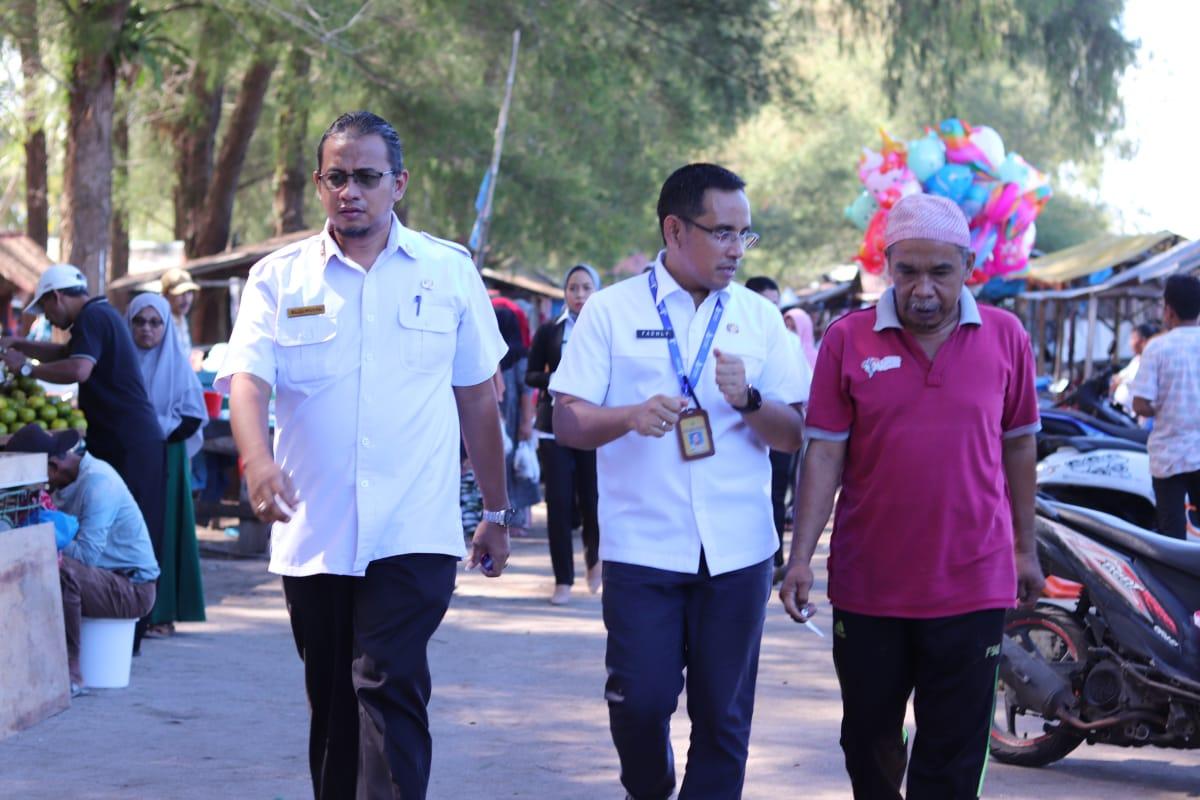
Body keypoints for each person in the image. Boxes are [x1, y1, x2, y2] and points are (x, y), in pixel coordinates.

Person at [216, 110, 512, 800]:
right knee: (334, 702)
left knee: (388, 682)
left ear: (398, 184)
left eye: (367, 177)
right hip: (314, 530)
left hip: (414, 530)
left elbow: (477, 400)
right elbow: (248, 383)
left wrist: (495, 510)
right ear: (320, 186)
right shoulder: (278, 279)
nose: (352, 191)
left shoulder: (448, 271)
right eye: (337, 177)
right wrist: (256, 462)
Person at [551, 163, 808, 799]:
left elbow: (795, 432)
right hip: (644, 546)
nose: (735, 251)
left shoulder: (758, 317)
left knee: (723, 718)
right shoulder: (610, 312)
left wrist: (748, 399)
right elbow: (569, 419)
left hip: (738, 550)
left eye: (745, 236)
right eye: (722, 233)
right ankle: (652, 784)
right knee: (639, 703)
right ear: (674, 229)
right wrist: (629, 416)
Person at [779, 193, 1044, 800]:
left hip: (972, 580)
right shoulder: (847, 341)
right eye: (907, 271)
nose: (923, 289)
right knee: (868, 742)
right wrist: (800, 558)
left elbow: (1021, 447)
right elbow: (824, 454)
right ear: (887, 268)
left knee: (952, 751)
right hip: (870, 584)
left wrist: (1024, 549)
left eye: (940, 272)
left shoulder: (1006, 338)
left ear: (969, 267)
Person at [1, 264, 167, 570]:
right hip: (127, 438)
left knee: (132, 531)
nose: (48, 318)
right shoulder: (98, 314)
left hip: (130, 440)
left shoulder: (93, 317)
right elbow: (65, 353)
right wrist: (19, 345)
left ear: (57, 297)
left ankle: (140, 613)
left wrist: (26, 368)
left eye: (46, 309)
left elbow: (78, 368)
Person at [5, 424, 159, 696]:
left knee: (61, 569)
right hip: (104, 579)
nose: (41, 488)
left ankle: (71, 672)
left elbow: (87, 555)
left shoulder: (99, 484)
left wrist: (44, 534)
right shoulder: (67, 479)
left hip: (132, 587)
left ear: (53, 467)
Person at [126, 294, 207, 634]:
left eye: (155, 322)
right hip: (127, 455)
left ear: (165, 327)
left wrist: (151, 428)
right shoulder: (120, 362)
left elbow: (192, 417)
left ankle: (162, 613)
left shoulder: (177, 365)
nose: (147, 329)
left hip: (166, 457)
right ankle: (129, 608)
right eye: (139, 322)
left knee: (165, 530)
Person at [526, 263, 603, 604]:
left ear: (596, 291)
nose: (580, 295)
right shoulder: (549, 331)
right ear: (565, 293)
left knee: (592, 500)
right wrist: (557, 379)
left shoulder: (607, 329)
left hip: (593, 425)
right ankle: (563, 580)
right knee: (558, 503)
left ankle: (595, 562)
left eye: (587, 287)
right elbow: (530, 375)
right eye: (574, 288)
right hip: (552, 427)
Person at [746, 276, 809, 583]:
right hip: (746, 435)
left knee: (776, 492)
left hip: (780, 426)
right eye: (765, 304)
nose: (771, 310)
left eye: (776, 304)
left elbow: (804, 386)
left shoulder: (790, 341)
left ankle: (774, 555)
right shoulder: (734, 335)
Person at [1131, 274, 1200, 540]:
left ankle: (1175, 582)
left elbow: (1140, 404)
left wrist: (1163, 405)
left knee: (1172, 537)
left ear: (1168, 310)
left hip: (1168, 458)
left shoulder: (1157, 347)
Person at [1111, 322, 1157, 415]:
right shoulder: (1136, 360)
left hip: (1135, 415)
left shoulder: (1150, 361)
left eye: (1133, 338)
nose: (1130, 343)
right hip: (1121, 412)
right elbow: (1120, 376)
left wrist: (1121, 380)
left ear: (1143, 341)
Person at [160, 267, 201, 358]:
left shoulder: (181, 318)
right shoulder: (160, 322)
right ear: (166, 295)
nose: (186, 299)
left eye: (189, 292)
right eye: (180, 293)